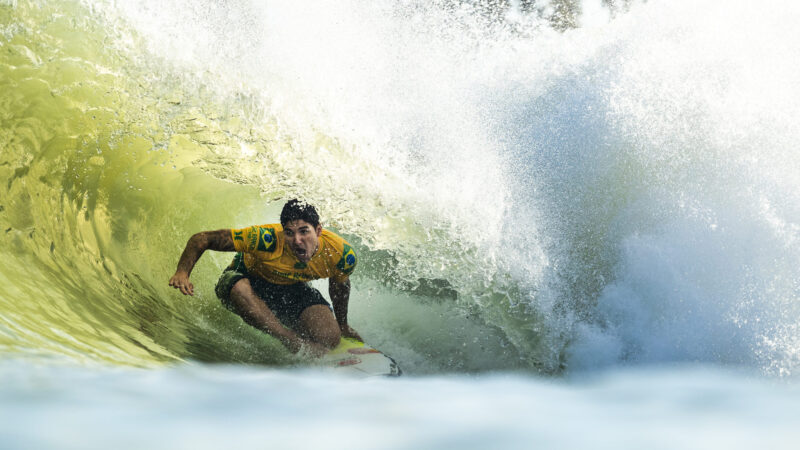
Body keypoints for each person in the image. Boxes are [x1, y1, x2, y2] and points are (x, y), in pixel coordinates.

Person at [168, 199, 361, 355]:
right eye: (289, 233)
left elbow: (339, 285)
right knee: (240, 288)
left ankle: (293, 326)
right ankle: (288, 339)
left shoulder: (340, 254)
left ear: (318, 230)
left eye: (304, 231)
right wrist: (182, 272)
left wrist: (343, 324)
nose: (297, 241)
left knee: (329, 339)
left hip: (289, 288)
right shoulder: (265, 239)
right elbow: (203, 239)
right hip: (244, 280)